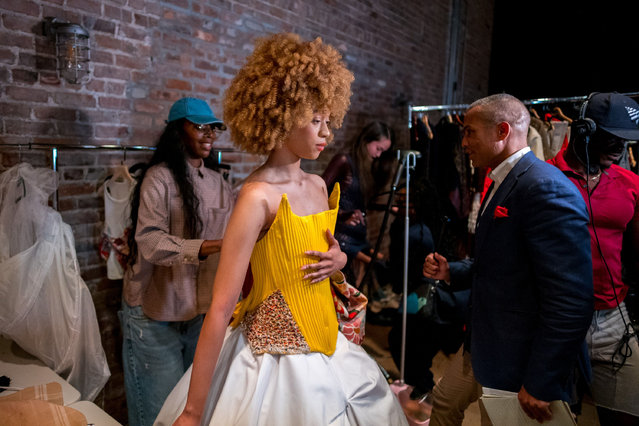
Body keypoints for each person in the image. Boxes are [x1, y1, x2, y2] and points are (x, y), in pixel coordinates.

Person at [155, 33, 408, 426]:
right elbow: (221, 307)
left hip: (328, 345)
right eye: (314, 121)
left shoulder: (318, 186)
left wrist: (338, 258)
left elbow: (326, 254)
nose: (326, 133)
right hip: (269, 360)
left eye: (328, 120)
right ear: (281, 117)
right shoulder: (257, 197)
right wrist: (192, 411)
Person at [422, 93, 594, 424]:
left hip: (519, 353)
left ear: (502, 131)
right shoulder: (501, 180)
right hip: (484, 339)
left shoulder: (544, 187)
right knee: (444, 401)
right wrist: (451, 271)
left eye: (470, 131)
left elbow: (571, 299)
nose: (464, 141)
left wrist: (541, 380)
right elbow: (501, 265)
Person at [119, 97, 235, 426]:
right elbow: (151, 242)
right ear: (177, 131)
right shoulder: (159, 179)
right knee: (157, 411)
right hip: (154, 314)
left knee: (187, 409)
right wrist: (212, 247)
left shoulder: (219, 184)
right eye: (199, 127)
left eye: (213, 128)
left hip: (198, 314)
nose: (209, 134)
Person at [547, 92, 639, 426]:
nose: (621, 147)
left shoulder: (631, 184)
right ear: (584, 129)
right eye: (614, 137)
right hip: (555, 318)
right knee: (551, 418)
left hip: (614, 320)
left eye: (627, 141)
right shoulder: (543, 178)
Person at [322, 121, 393, 287]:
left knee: (380, 262)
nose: (378, 155)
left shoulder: (363, 168)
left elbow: (361, 204)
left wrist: (391, 208)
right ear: (367, 140)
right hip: (342, 236)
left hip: (358, 237)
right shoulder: (343, 160)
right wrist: (344, 215)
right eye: (378, 148)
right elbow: (319, 193)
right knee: (372, 266)